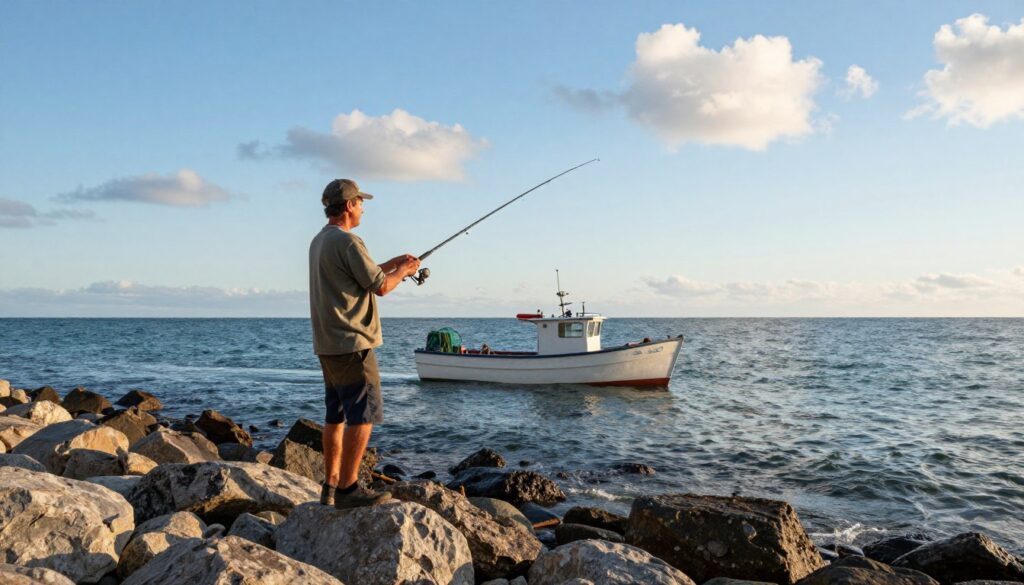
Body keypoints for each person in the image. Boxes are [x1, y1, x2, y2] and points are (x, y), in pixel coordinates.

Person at [309, 178, 420, 508]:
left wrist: (396, 264)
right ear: (347, 206)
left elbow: (365, 275)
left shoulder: (320, 241)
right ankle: (349, 489)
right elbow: (381, 287)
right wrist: (404, 272)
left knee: (335, 415)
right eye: (359, 202)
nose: (363, 207)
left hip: (328, 343)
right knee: (363, 415)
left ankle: (329, 487)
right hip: (353, 343)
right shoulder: (349, 241)